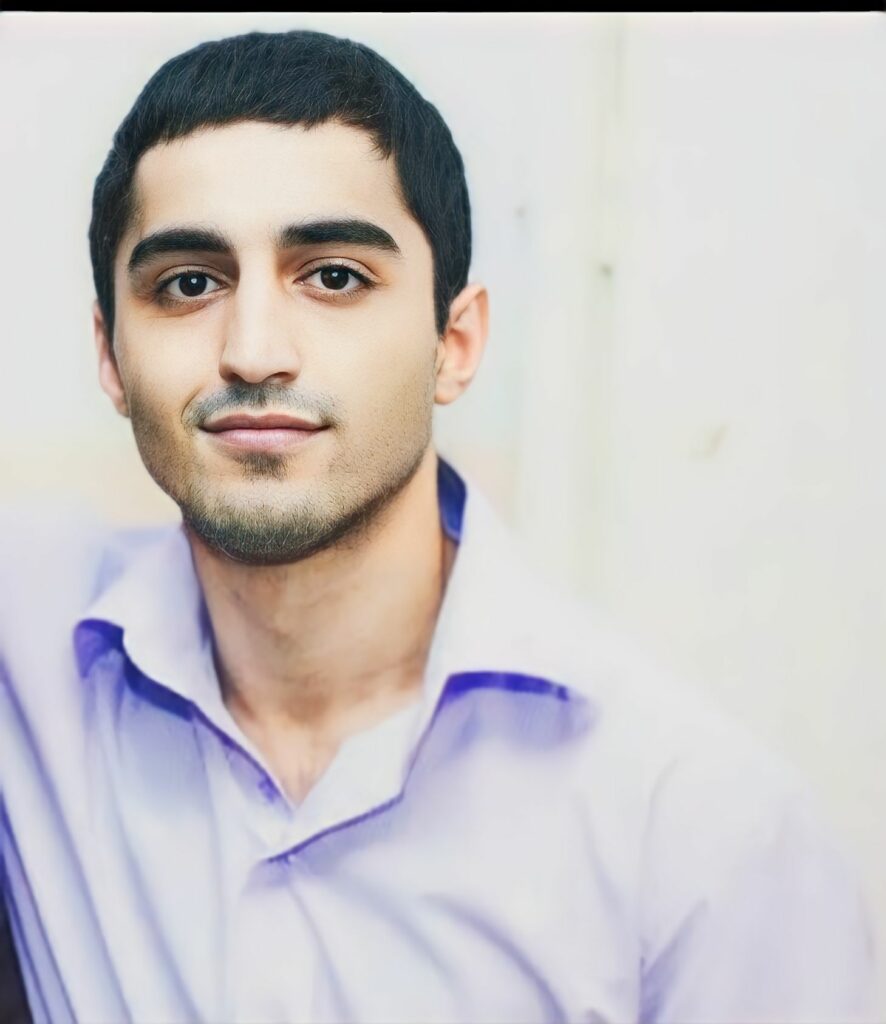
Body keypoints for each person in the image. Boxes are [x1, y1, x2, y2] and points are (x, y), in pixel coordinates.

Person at [0, 27, 876, 1024]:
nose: (253, 350)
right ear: (110, 355)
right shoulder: (30, 652)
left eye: (333, 276)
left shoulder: (699, 834)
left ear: (454, 344)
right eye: (189, 283)